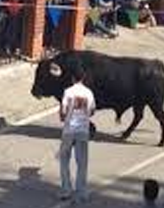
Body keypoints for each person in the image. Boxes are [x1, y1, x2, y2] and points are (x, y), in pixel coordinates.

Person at [58, 61, 96, 203]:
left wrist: (64, 116)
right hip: (82, 130)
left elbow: (63, 113)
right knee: (82, 162)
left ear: (73, 78)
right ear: (83, 78)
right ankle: (82, 191)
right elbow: (92, 111)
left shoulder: (68, 92)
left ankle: (66, 189)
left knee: (64, 160)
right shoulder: (89, 93)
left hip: (69, 130)